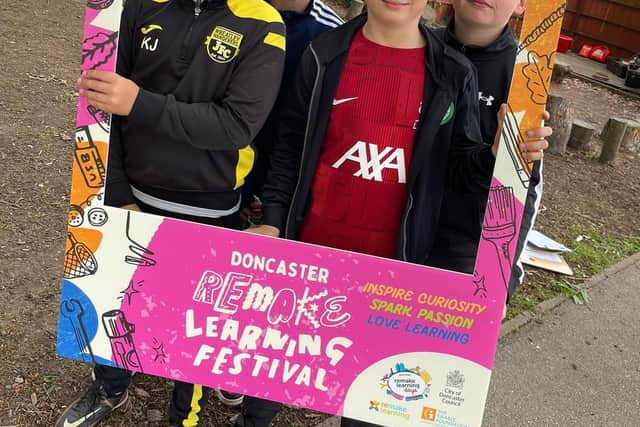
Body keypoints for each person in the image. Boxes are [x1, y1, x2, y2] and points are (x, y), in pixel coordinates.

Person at [240, 1, 545, 426]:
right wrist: (274, 218)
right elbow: (288, 148)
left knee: (373, 397)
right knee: (269, 380)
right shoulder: (322, 54)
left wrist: (493, 158)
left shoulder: (453, 73)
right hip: (309, 260)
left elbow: (458, 168)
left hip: (396, 273)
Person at [56, 0, 285, 426]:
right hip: (130, 198)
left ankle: (183, 415)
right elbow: (102, 110)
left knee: (192, 328)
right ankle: (110, 386)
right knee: (114, 303)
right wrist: (119, 192)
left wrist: (140, 102)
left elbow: (236, 126)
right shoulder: (138, 6)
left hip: (210, 209)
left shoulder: (263, 21)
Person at [427, 0, 550, 302]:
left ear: (522, 5)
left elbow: (526, 189)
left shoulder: (525, 78)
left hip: (465, 249)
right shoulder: (418, 46)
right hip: (400, 231)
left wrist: (501, 275)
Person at [240, 0, 343, 227]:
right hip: (218, 190)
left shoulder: (333, 37)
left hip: (282, 206)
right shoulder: (232, 13)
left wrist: (275, 207)